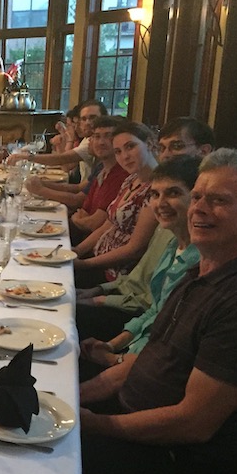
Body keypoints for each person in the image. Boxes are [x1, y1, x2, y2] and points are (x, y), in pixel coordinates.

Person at [80, 148, 237, 474]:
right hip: (132, 420)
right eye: (198, 196)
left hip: (173, 466)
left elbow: (193, 422)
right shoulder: (204, 270)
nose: (198, 208)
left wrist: (94, 424)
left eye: (219, 200)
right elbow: (147, 358)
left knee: (26, 466)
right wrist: (72, 398)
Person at [77, 156, 201, 382]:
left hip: (149, 374)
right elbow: (155, 310)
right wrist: (111, 345)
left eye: (173, 193)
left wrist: (115, 359)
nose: (161, 203)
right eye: (155, 195)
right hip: (134, 344)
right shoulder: (171, 242)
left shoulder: (200, 262)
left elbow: (168, 346)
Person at [73, 121, 159, 286]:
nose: (124, 156)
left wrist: (84, 264)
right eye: (118, 151)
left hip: (116, 276)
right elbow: (109, 223)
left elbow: (135, 249)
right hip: (97, 261)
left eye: (130, 147)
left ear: (149, 144)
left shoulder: (157, 190)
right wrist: (77, 251)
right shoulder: (131, 180)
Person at [23, 116, 128, 241]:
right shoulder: (102, 168)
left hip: (87, 239)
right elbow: (81, 199)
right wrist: (42, 184)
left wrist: (41, 190)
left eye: (108, 136)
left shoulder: (120, 175)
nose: (101, 142)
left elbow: (90, 219)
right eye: (97, 136)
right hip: (80, 231)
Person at [8, 99, 107, 182]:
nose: (88, 122)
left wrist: (26, 156)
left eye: (93, 118)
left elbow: (62, 159)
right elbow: (65, 165)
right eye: (84, 119)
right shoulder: (87, 139)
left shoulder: (91, 143)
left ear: (104, 118)